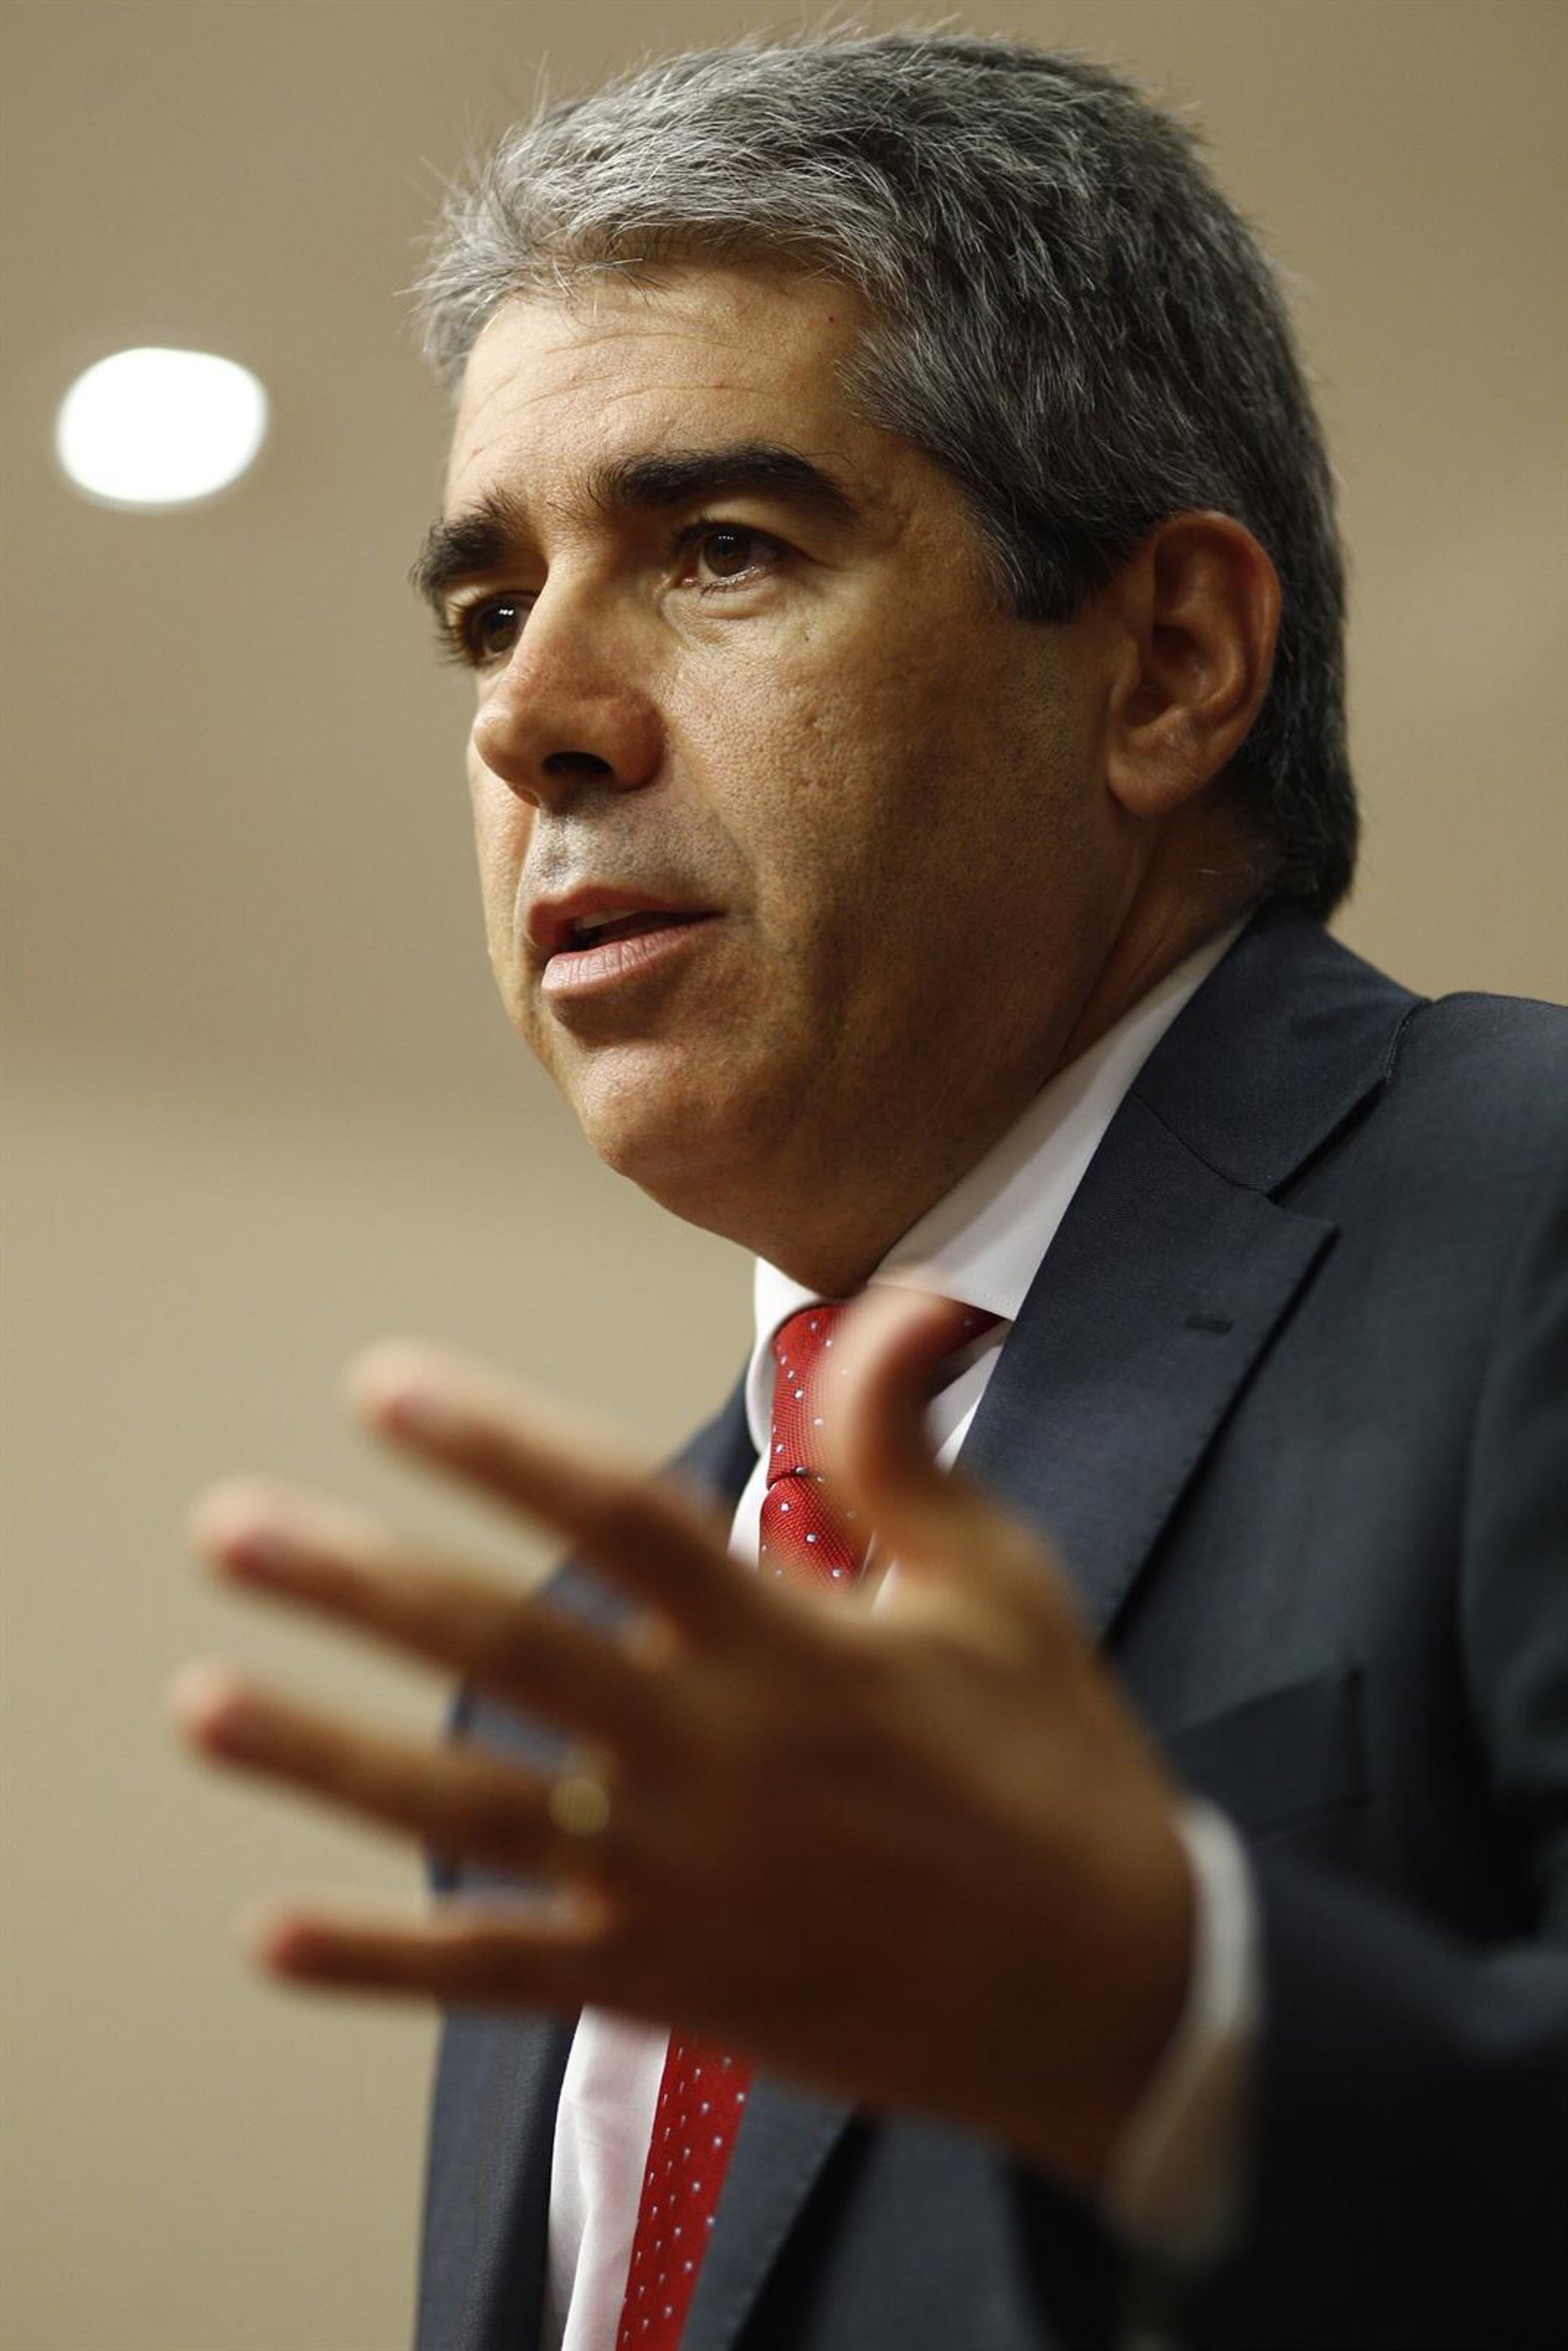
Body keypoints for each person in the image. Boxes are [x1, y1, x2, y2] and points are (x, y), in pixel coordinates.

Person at [171, 31, 1567, 2351]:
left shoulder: (1527, 1220)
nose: (531, 717)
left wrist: (1178, 2025)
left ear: (1169, 661)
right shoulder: (585, 1685)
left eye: (721, 549)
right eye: (489, 611)